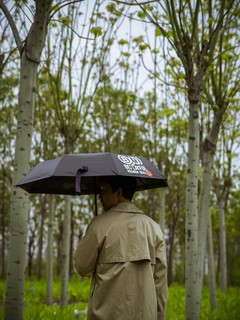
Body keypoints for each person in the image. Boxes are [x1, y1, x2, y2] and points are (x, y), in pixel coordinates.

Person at [74, 176, 168, 320]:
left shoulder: (99, 226)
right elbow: (160, 284)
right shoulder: (154, 228)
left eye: (103, 190)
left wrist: (91, 231)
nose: (99, 196)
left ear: (118, 193)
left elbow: (82, 267)